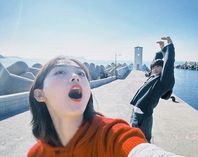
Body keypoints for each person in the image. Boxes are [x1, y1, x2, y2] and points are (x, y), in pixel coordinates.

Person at [27, 56, 183, 157]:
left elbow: (135, 147)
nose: (75, 77)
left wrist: (168, 48)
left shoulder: (109, 133)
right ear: (39, 94)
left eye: (81, 74)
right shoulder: (35, 154)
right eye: (60, 72)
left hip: (144, 113)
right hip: (137, 110)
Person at [130, 37, 175, 143]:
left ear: (163, 69)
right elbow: (155, 61)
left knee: (144, 140)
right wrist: (162, 49)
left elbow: (169, 62)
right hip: (135, 113)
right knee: (132, 138)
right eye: (154, 67)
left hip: (144, 116)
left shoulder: (162, 81)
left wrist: (169, 45)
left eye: (159, 67)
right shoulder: (152, 76)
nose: (155, 68)